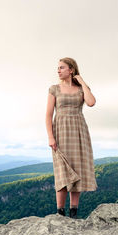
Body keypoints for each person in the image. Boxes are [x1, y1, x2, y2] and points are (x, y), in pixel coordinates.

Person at [45, 57, 98, 219]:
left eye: (62, 67)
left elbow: (91, 102)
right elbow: (48, 115)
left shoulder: (81, 89)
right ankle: (60, 212)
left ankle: (73, 211)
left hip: (79, 131)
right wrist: (50, 137)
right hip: (60, 131)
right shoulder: (54, 89)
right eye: (58, 68)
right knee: (62, 171)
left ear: (71, 70)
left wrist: (81, 81)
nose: (58, 70)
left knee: (78, 169)